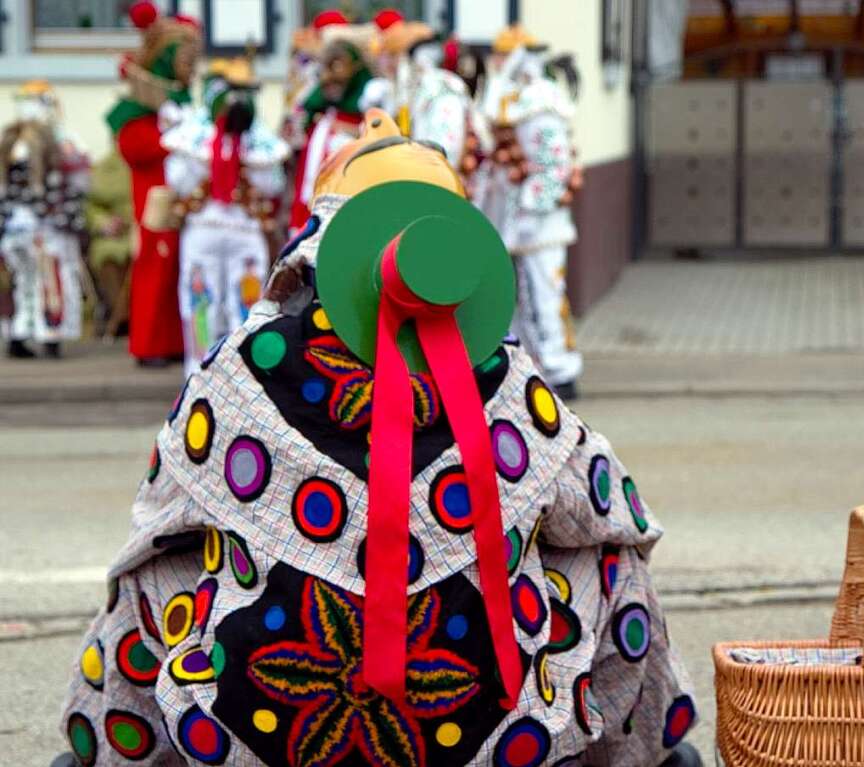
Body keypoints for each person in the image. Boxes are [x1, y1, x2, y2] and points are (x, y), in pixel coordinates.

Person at [56, 110, 698, 767]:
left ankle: (113, 754)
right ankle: (639, 753)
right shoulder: (507, 379)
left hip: (261, 729)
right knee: (614, 559)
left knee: (148, 568)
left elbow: (160, 513)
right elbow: (611, 509)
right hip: (489, 731)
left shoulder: (239, 369)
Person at [162, 58, 289, 378]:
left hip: (222, 229)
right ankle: (216, 370)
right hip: (222, 229)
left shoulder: (247, 138)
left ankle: (219, 371)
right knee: (204, 299)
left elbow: (177, 180)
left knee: (240, 299)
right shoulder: (244, 140)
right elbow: (272, 184)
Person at [476, 27, 584, 400]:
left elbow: (554, 166)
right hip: (515, 220)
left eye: (505, 56)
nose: (498, 63)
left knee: (545, 296)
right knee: (520, 298)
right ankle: (529, 367)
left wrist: (531, 211)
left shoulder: (541, 101)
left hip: (541, 224)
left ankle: (559, 369)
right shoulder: (516, 96)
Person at [106, 0, 201, 366]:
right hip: (154, 195)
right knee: (156, 264)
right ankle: (149, 345)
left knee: (180, 264)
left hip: (182, 192)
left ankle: (177, 340)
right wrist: (170, 138)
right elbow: (134, 146)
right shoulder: (140, 108)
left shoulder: (181, 104)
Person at [0, 80, 89, 359]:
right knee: (50, 282)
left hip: (18, 228)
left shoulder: (12, 142)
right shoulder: (50, 142)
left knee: (26, 283)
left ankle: (20, 336)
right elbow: (75, 186)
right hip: (46, 229)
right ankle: (48, 336)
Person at [287, 13, 374, 232]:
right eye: (324, 67)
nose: (328, 77)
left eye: (336, 66)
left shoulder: (368, 111)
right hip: (311, 210)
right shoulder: (319, 114)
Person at [360, 9, 473, 173]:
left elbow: (446, 156)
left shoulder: (441, 90)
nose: (386, 64)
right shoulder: (400, 91)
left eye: (393, 56)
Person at [84, 147, 133, 338]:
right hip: (114, 234)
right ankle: (122, 315)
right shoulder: (104, 168)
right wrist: (104, 222)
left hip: (142, 228)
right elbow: (91, 206)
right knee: (108, 258)